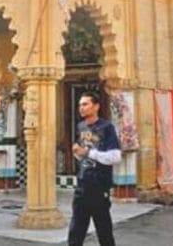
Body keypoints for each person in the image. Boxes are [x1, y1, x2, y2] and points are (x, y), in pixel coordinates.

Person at [68, 91, 121, 246]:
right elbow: (83, 156)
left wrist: (89, 152)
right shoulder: (81, 126)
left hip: (99, 186)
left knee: (104, 231)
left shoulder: (107, 127)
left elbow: (115, 157)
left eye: (85, 104)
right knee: (76, 231)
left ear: (96, 106)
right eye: (80, 105)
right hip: (82, 185)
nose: (81, 108)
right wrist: (77, 153)